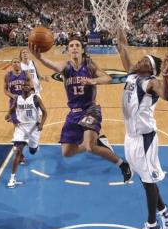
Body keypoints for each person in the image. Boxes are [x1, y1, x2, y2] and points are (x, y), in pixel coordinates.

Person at [30, 36, 132, 182]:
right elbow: (51, 64)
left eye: (77, 45)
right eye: (71, 45)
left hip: (90, 109)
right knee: (66, 152)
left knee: (90, 147)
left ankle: (123, 165)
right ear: (68, 50)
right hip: (74, 113)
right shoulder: (65, 67)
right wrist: (40, 57)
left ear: (82, 49)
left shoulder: (89, 65)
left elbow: (108, 78)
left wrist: (93, 80)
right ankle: (100, 142)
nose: (74, 47)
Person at [116, 29, 168, 229]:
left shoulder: (150, 82)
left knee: (148, 182)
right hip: (130, 137)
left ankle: (152, 225)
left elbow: (167, 95)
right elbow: (124, 52)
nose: (137, 61)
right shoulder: (132, 75)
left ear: (149, 68)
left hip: (145, 139)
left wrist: (166, 75)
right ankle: (165, 212)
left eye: (142, 60)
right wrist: (119, 35)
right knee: (144, 177)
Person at [5, 80, 47, 188]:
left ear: (31, 88)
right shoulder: (17, 99)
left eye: (28, 85)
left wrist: (41, 124)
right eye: (24, 85)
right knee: (18, 151)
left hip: (33, 128)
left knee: (32, 151)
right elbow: (12, 109)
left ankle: (35, 147)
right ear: (21, 87)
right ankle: (12, 178)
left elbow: (45, 112)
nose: (26, 86)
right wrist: (8, 115)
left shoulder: (35, 98)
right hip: (21, 127)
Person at [3, 58, 34, 164]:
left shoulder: (26, 74)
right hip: (14, 104)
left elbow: (32, 87)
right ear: (11, 64)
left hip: (25, 104)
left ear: (20, 64)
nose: (16, 64)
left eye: (17, 62)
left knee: (26, 127)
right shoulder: (7, 76)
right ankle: (20, 154)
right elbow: (5, 89)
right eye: (14, 62)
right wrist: (13, 96)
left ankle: (26, 145)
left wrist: (26, 94)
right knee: (17, 129)